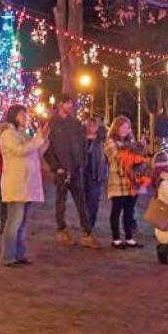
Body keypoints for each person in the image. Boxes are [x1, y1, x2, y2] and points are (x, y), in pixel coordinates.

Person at [0, 104, 49, 267]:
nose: (25, 117)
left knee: (23, 223)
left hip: (27, 183)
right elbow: (20, 150)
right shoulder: (8, 135)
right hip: (16, 183)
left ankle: (19, 254)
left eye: (25, 114)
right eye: (22, 114)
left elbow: (33, 152)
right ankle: (8, 256)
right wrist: (37, 140)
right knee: (14, 221)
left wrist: (43, 141)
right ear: (14, 116)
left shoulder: (22, 134)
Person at [44, 95, 101, 249]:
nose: (70, 106)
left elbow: (83, 144)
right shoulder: (51, 124)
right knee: (60, 201)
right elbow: (46, 147)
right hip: (61, 170)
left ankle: (87, 233)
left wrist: (81, 163)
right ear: (60, 104)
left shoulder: (75, 123)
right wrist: (56, 167)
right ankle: (62, 230)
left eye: (71, 103)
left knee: (81, 202)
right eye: (67, 103)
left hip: (76, 169)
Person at [104, 115, 148, 249]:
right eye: (122, 127)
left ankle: (129, 237)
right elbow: (117, 157)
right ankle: (116, 239)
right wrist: (134, 152)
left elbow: (138, 158)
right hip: (118, 180)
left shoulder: (131, 142)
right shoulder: (110, 141)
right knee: (117, 210)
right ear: (116, 128)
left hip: (132, 181)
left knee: (129, 210)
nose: (125, 130)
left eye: (127, 127)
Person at [84, 115, 108, 230]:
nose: (93, 126)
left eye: (95, 124)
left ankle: (90, 223)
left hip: (95, 173)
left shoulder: (102, 140)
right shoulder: (81, 138)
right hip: (82, 172)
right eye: (90, 124)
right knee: (84, 199)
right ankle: (85, 221)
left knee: (93, 199)